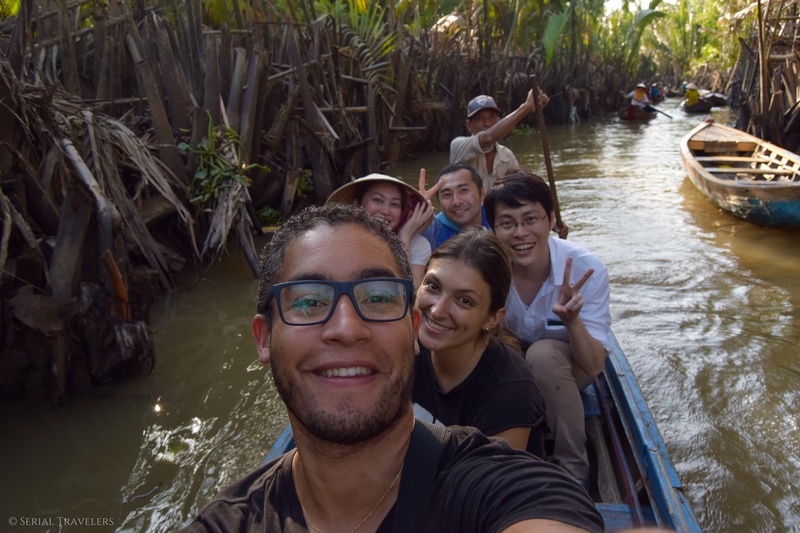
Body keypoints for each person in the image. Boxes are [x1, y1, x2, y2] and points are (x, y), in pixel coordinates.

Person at [179, 203, 604, 533]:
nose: (346, 330)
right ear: (264, 338)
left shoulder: (494, 481)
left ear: (411, 331)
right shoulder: (228, 521)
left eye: (379, 298)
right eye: (309, 300)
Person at [484, 170, 612, 487]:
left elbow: (595, 364)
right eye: (507, 223)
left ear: (552, 220)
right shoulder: (486, 267)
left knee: (542, 355)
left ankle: (573, 470)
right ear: (493, 228)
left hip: (566, 364)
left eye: (531, 219)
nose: (520, 233)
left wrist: (573, 321)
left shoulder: (585, 269)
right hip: (509, 362)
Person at [412, 228, 547, 455]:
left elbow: (489, 486)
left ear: (493, 318)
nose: (437, 311)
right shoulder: (404, 344)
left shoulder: (511, 393)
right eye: (433, 286)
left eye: (464, 300)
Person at [327, 173, 433, 287]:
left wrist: (404, 237)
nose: (385, 211)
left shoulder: (416, 244)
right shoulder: (337, 240)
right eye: (377, 200)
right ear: (357, 205)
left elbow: (412, 296)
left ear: (402, 212)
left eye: (394, 204)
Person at [450, 90, 549, 190]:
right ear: (469, 125)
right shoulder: (458, 146)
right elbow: (487, 138)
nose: (487, 123)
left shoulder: (507, 156)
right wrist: (527, 107)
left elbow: (518, 188)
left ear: (498, 122)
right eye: (479, 118)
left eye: (491, 117)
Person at [419, 163, 490, 250]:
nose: (456, 202)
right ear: (439, 202)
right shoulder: (432, 229)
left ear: (482, 193)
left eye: (463, 190)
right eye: (447, 195)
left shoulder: (497, 219)